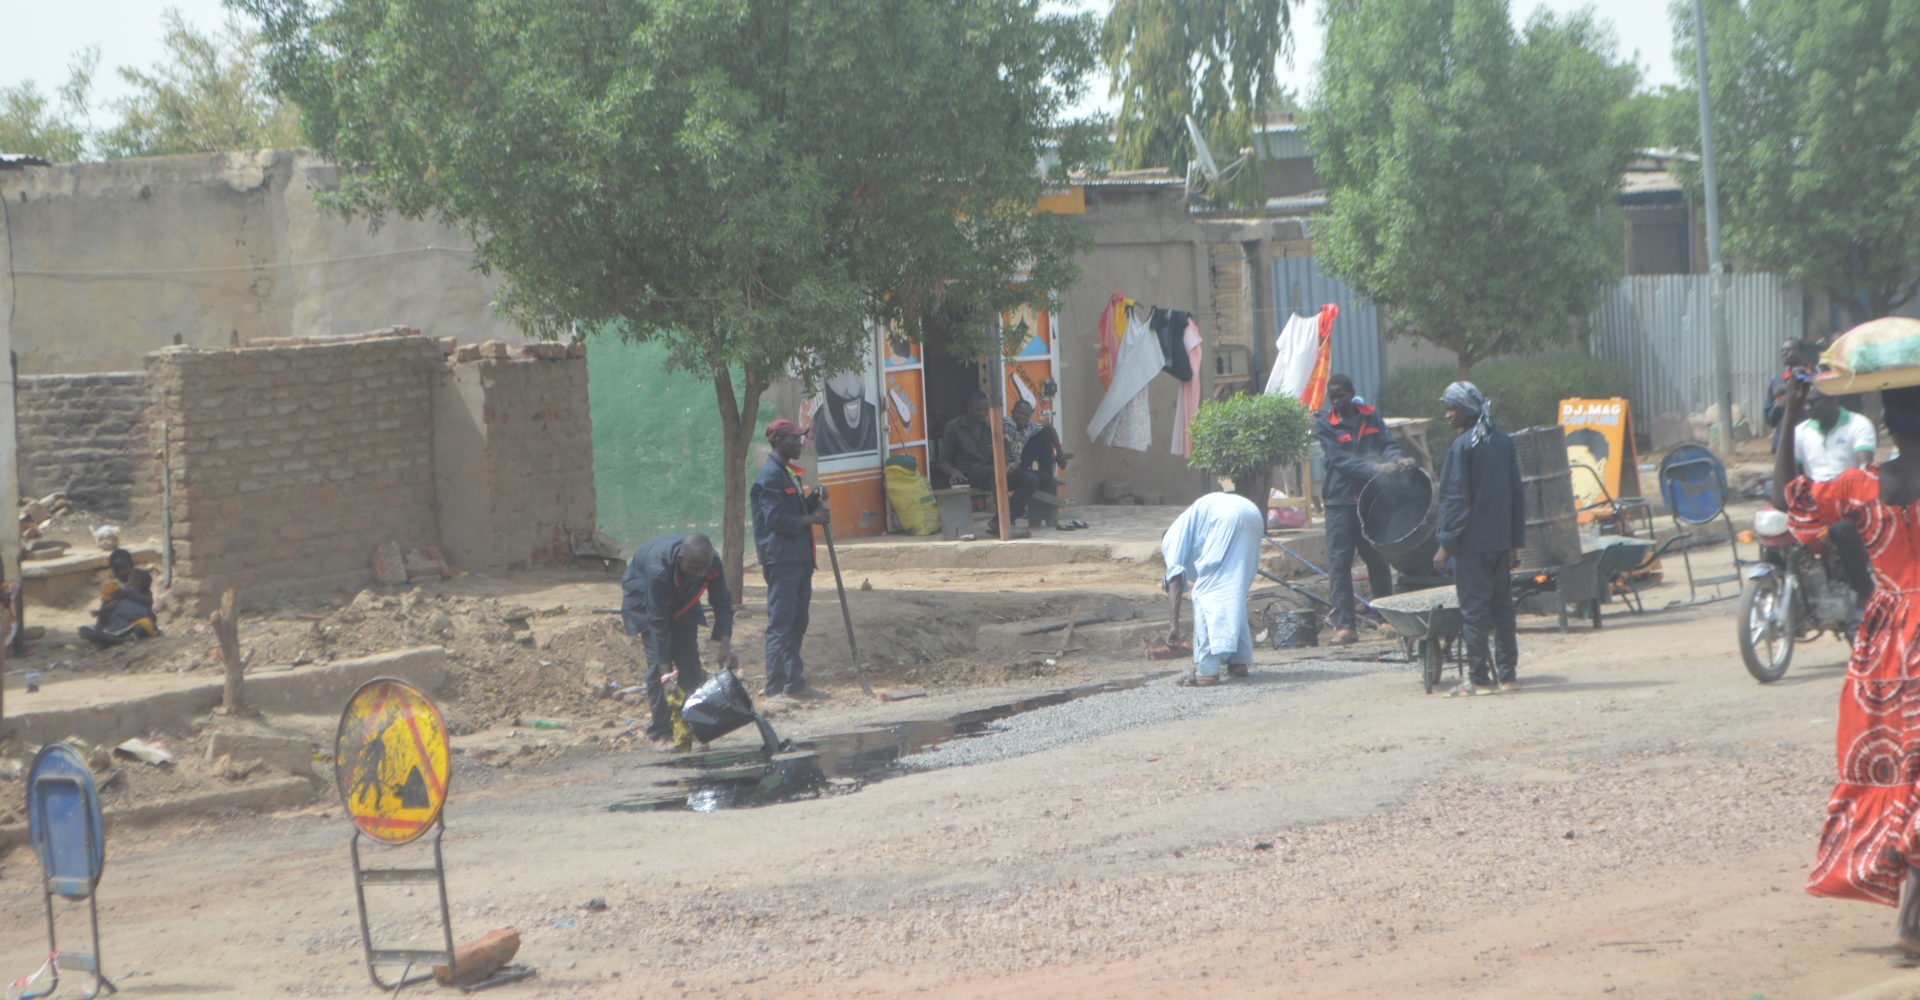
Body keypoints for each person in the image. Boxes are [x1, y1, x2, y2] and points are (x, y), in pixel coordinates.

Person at [1771, 377, 1920, 944]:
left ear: (1887, 424)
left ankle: (1912, 910)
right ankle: (1912, 915)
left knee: (1896, 771)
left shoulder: (1860, 486)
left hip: (1882, 644)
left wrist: (1788, 416)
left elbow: (1792, 497)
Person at [1432, 382, 1526, 696]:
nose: (1447, 415)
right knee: (1502, 611)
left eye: (1451, 408)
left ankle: (1480, 680)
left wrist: (1445, 544)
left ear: (1466, 411)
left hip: (1471, 546)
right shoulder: (1502, 442)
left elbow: (1456, 500)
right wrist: (1514, 543)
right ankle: (1508, 677)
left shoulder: (1463, 447)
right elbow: (1516, 495)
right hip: (1500, 542)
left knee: (1474, 613)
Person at [1315, 373, 1410, 645]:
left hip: (1372, 501)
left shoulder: (1370, 417)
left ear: (1352, 393)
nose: (1336, 402)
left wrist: (1396, 459)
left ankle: (1384, 618)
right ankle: (1345, 627)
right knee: (1339, 565)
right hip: (1339, 503)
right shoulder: (1326, 425)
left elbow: (1388, 445)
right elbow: (1340, 460)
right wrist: (1374, 468)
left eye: (1340, 396)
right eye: (1332, 397)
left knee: (1377, 559)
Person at [621, 533, 737, 748]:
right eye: (694, 568)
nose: (700, 574)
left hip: (683, 593)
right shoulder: (657, 569)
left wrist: (725, 647)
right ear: (681, 558)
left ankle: (693, 726)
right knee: (658, 666)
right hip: (643, 594)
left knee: (690, 663)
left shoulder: (709, 563)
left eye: (704, 569)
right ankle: (660, 732)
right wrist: (666, 675)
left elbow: (722, 604)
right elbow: (657, 623)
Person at [751, 418, 833, 699]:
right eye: (794, 439)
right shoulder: (770, 477)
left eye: (799, 438)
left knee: (798, 621)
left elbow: (792, 510)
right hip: (782, 560)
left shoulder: (788, 474)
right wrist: (813, 517)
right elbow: (775, 519)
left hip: (799, 559)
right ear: (778, 443)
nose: (799, 443)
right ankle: (775, 687)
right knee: (781, 622)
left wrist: (813, 500)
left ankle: (793, 681)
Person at [1161, 491, 1264, 687]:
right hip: (1252, 512)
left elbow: (1174, 576)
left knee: (1206, 595)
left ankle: (1207, 671)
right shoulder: (1193, 525)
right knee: (1233, 592)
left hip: (1227, 518)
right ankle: (1238, 661)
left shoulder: (1170, 539)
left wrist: (1173, 625)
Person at [937, 389, 1038, 533]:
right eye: (979, 410)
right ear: (968, 407)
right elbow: (944, 460)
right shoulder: (954, 427)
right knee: (996, 474)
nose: (983, 413)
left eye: (986, 410)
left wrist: (1009, 463)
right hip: (969, 473)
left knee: (1030, 479)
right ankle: (1006, 524)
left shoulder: (990, 427)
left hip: (991, 472)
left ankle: (1001, 520)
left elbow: (999, 455)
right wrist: (953, 472)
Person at [1794, 386, 1877, 482]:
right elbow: (1792, 474)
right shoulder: (1800, 431)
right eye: (1804, 403)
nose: (1807, 407)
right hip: (1813, 493)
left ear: (1832, 399)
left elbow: (1864, 470)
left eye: (1812, 402)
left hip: (1849, 491)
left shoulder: (1859, 424)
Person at [79, 567, 159, 647]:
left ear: (136, 582)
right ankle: (119, 640)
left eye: (129, 578)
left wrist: (100, 611)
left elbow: (112, 605)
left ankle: (111, 640)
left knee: (141, 628)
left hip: (129, 626)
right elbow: (112, 605)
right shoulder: (127, 592)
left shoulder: (130, 593)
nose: (127, 580)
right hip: (116, 625)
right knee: (84, 630)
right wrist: (100, 612)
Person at [811, 369, 879, 457]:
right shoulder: (812, 436)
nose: (853, 391)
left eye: (858, 368)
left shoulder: (879, 421)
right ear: (820, 377)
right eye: (840, 371)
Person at [1766, 339, 1815, 447]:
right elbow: (1769, 419)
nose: (1784, 353)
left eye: (1789, 350)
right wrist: (1778, 406)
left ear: (1802, 352)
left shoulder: (1816, 377)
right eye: (1782, 350)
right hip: (1783, 442)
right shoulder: (1777, 382)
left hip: (1809, 442)